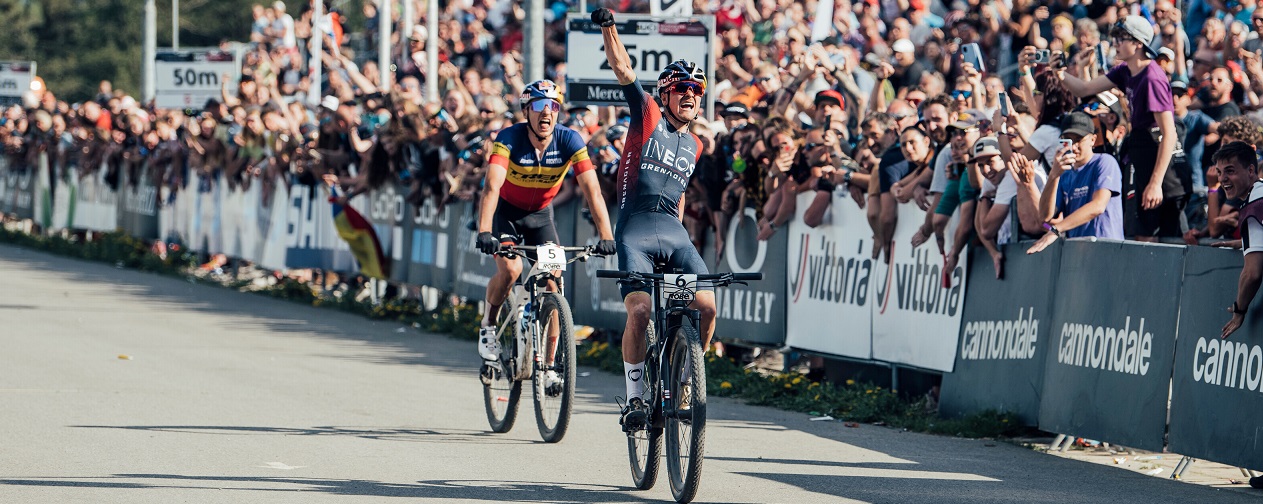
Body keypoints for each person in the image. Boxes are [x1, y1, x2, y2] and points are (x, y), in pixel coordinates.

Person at [592, 7, 717, 431]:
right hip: (636, 230)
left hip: (673, 233)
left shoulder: (697, 144)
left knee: (708, 306)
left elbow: (677, 196)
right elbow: (622, 66)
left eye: (696, 90)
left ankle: (687, 378)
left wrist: (681, 232)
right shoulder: (647, 116)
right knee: (642, 311)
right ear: (665, 94)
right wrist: (609, 26)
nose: (690, 95)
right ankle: (633, 398)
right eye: (682, 88)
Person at [474, 79, 618, 383]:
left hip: (541, 216)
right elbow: (491, 186)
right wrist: (485, 230)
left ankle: (550, 366)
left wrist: (607, 236)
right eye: (539, 106)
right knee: (511, 271)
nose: (546, 113)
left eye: (552, 106)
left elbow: (592, 190)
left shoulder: (570, 140)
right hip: (507, 213)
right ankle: (488, 325)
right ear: (526, 111)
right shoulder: (509, 137)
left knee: (553, 283)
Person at [1058, 16, 1181, 241]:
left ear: (1137, 43)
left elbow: (1169, 133)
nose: (1115, 43)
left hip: (1156, 156)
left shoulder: (1152, 78)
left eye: (1121, 38)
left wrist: (1155, 184)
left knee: (1149, 234)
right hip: (1139, 149)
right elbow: (1084, 89)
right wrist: (1058, 73)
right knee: (1138, 231)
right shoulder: (1125, 70)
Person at [1028, 112, 1125, 254]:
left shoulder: (1105, 162)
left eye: (1078, 140)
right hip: (1078, 254)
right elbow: (1044, 217)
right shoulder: (1064, 174)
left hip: (1107, 251)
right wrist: (1053, 175)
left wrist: (1057, 229)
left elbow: (1098, 206)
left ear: (1093, 140)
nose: (1073, 147)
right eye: (1067, 141)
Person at [1218, 141, 1263, 340]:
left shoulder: (1254, 203)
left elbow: (1252, 273)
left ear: (1251, 170)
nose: (1223, 179)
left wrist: (1239, 310)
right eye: (1219, 172)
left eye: (1230, 171)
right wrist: (1246, 242)